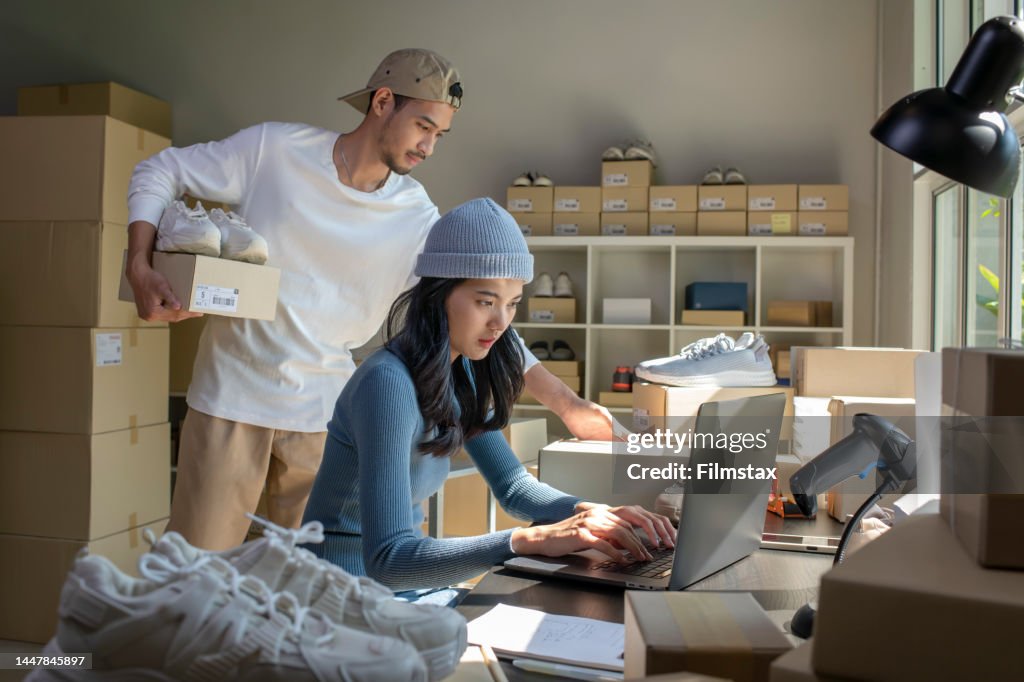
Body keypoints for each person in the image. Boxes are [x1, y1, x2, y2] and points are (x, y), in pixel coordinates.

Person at [124, 49, 617, 551]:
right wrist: (139, 266)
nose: (429, 146)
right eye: (423, 126)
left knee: (318, 593)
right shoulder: (273, 150)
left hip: (327, 420)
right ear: (383, 101)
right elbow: (158, 171)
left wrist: (568, 404)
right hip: (230, 401)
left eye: (440, 135)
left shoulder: (417, 217)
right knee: (193, 583)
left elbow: (487, 314)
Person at [301, 198, 675, 592]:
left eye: (512, 305)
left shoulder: (458, 371)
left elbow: (514, 487)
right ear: (438, 293)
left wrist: (592, 512)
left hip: (398, 592)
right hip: (341, 595)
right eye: (485, 302)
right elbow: (390, 560)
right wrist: (527, 541)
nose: (500, 323)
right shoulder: (387, 384)